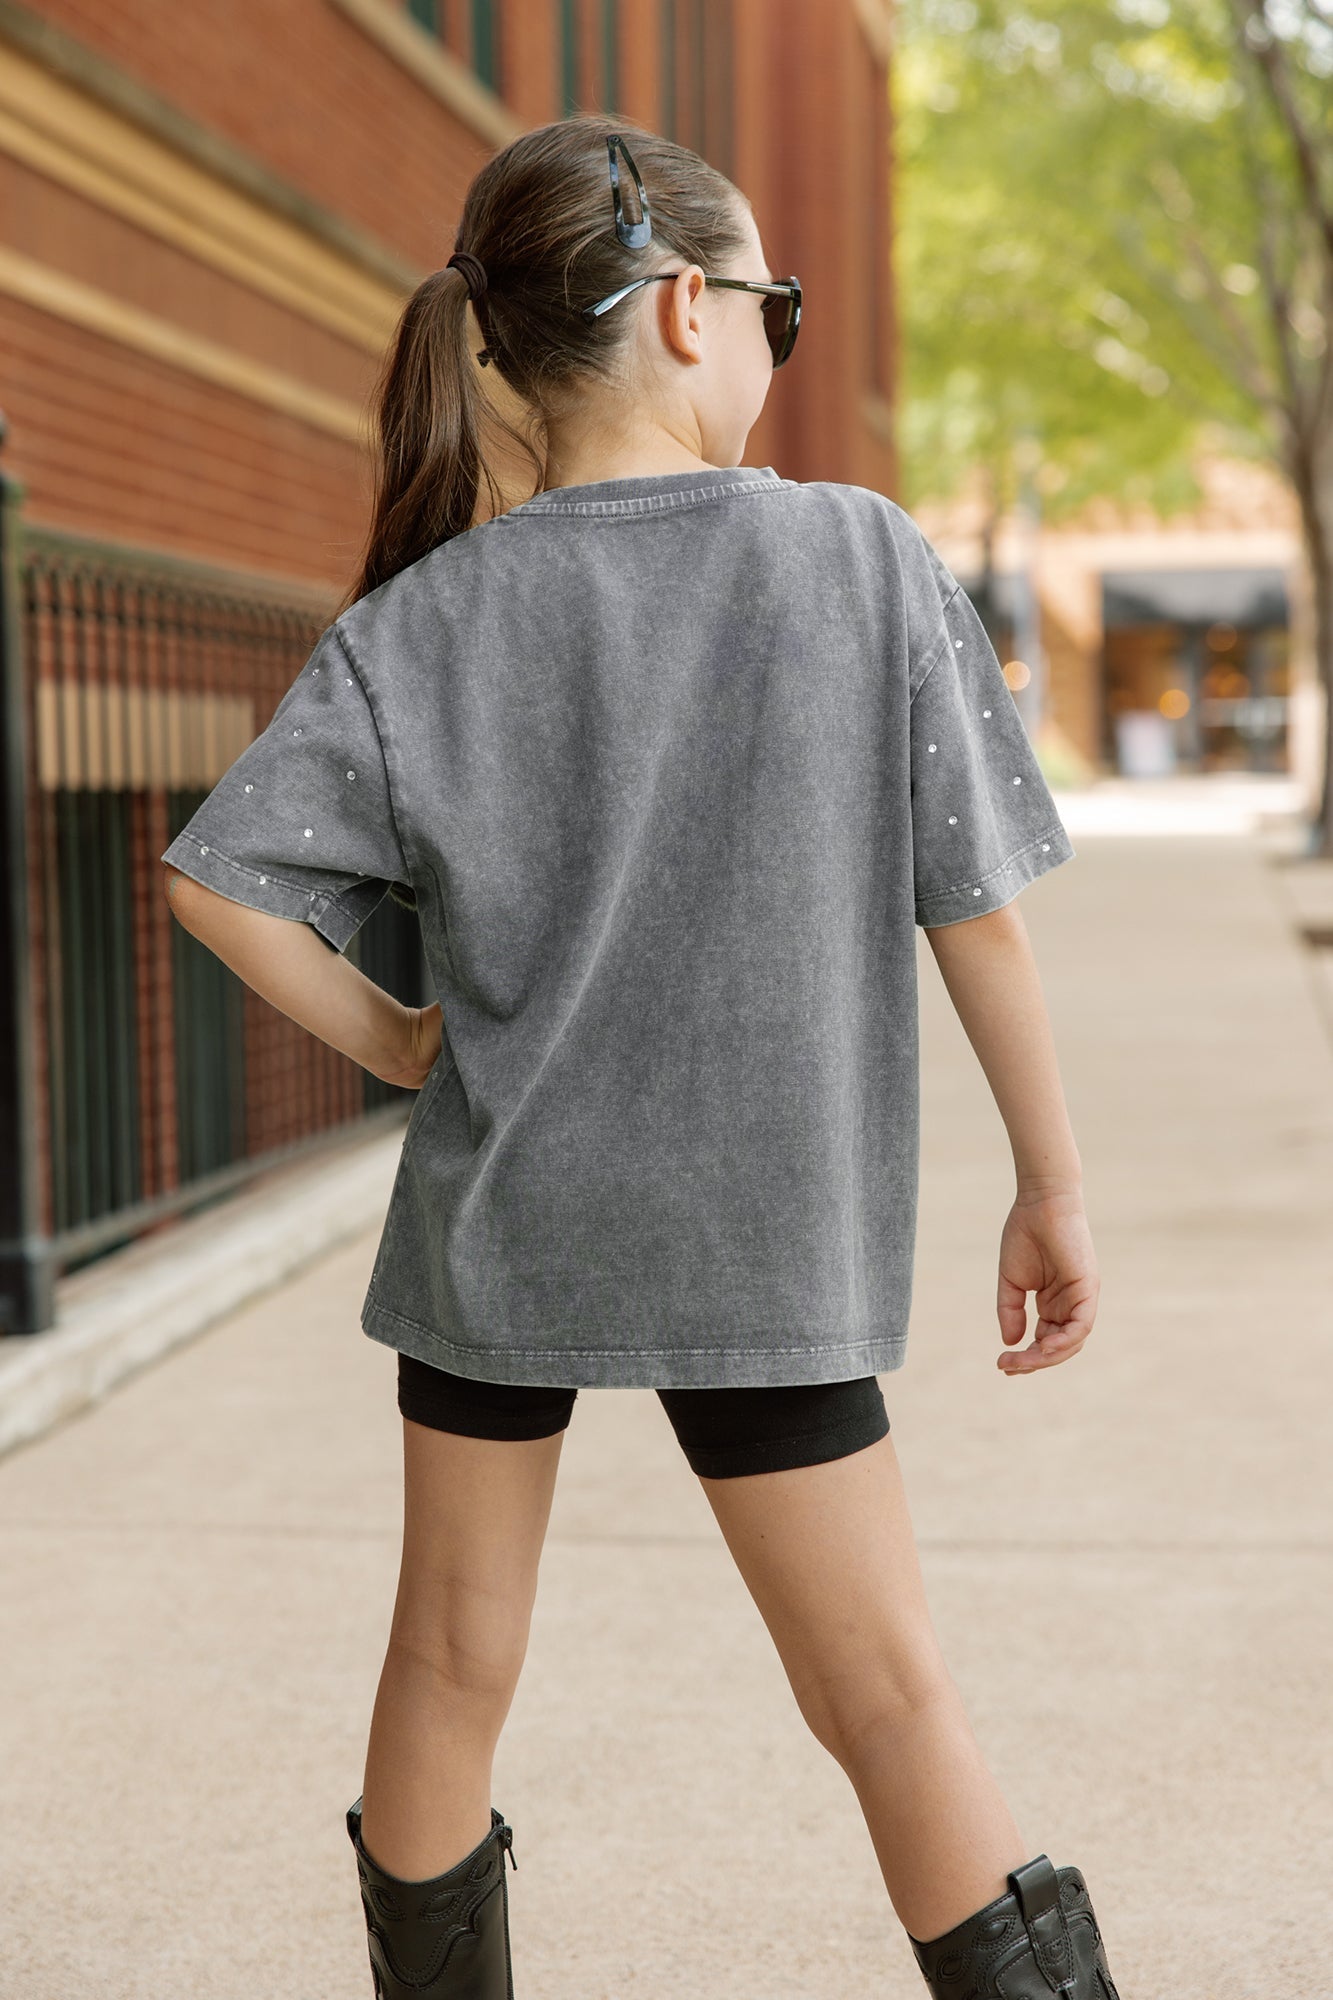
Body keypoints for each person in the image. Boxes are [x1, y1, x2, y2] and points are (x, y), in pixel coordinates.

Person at [161, 117, 1121, 2000]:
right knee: (884, 1693)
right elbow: (975, 912)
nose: (774, 340)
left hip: (502, 1230)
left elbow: (218, 885)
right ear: (690, 309)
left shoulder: (420, 623)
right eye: (775, 306)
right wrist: (1050, 1181)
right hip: (759, 1235)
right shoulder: (855, 556)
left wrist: (401, 1038)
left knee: (448, 1664)